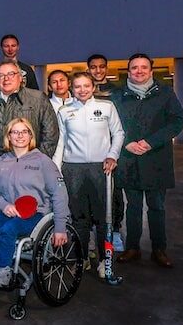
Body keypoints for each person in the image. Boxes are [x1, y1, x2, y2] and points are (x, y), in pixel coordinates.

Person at [111, 53, 183, 268]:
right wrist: (126, 143)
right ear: (129, 70)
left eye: (144, 67)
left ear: (151, 71)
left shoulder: (165, 93)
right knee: (132, 207)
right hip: (129, 158)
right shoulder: (118, 95)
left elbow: (176, 122)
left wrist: (151, 142)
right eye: (135, 67)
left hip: (156, 158)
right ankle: (132, 247)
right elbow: (110, 124)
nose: (139, 71)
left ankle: (159, 249)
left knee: (157, 206)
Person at [0, 118, 69, 286]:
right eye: (15, 132)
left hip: (36, 215)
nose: (20, 136)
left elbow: (59, 193)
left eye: (24, 132)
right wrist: (4, 205)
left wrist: (60, 227)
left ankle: (4, 269)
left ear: (30, 136)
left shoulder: (43, 162)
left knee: (8, 229)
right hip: (7, 211)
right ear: (8, 137)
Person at [56, 72, 125, 274]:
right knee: (78, 218)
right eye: (77, 86)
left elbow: (118, 133)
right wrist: (56, 168)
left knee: (104, 218)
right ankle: (83, 257)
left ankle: (105, 261)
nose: (82, 90)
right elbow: (61, 140)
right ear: (72, 88)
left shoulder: (106, 107)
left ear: (93, 86)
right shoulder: (64, 111)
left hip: (101, 168)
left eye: (86, 85)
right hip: (73, 169)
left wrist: (113, 156)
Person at [0, 61, 59, 162]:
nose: (6, 79)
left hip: (31, 163)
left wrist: (38, 161)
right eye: (1, 75)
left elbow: (50, 134)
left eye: (11, 74)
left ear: (20, 77)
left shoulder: (37, 98)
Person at [85, 53, 124, 250]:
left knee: (114, 193)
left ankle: (115, 231)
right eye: (93, 67)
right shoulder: (83, 91)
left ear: (106, 68)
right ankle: (93, 232)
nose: (97, 70)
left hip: (111, 152)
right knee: (92, 193)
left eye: (101, 67)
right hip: (89, 151)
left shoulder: (117, 93)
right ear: (88, 69)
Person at [47, 69, 75, 167]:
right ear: (49, 87)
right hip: (52, 152)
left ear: (69, 83)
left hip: (75, 156)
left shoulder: (78, 103)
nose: (59, 84)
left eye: (62, 80)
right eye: (54, 82)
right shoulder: (45, 105)